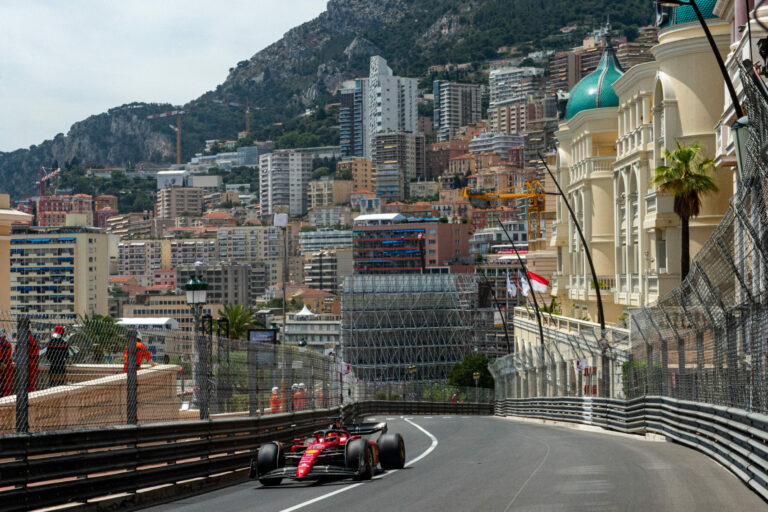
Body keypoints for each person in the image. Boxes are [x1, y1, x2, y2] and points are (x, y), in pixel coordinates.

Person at [0, 329, 12, 397]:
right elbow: (8, 355)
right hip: (7, 364)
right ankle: (6, 397)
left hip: (2, 363)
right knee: (7, 384)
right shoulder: (8, 344)